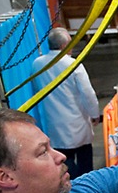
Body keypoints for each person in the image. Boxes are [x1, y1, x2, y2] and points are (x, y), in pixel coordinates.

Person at [32, 27, 100, 179]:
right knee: (85, 165)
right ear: (64, 46)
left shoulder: (37, 64)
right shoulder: (73, 64)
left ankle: (70, 188)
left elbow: (37, 90)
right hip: (77, 122)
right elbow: (88, 94)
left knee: (64, 162)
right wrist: (95, 114)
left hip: (54, 123)